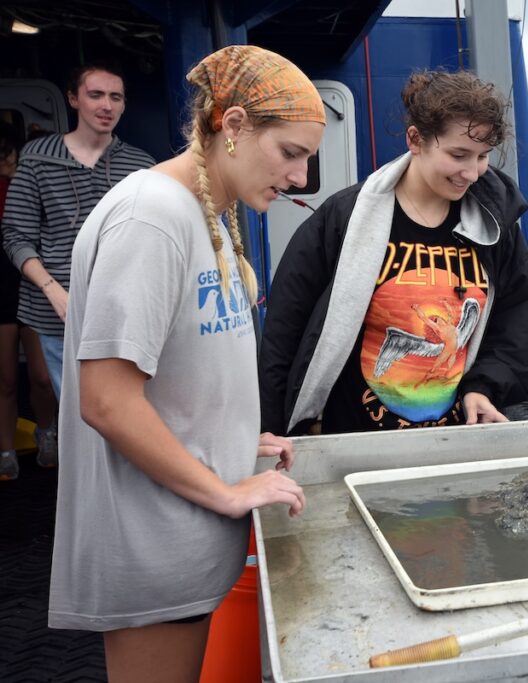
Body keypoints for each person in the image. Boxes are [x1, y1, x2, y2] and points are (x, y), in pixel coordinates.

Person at [47, 45, 321, 682]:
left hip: (184, 535)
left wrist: (232, 439)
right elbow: (107, 400)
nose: (302, 178)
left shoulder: (211, 212)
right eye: (290, 152)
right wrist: (226, 491)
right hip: (151, 545)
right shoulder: (152, 218)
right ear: (232, 126)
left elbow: (177, 371)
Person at [259, 70, 528, 436]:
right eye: (458, 154)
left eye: (482, 157)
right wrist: (274, 427)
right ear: (416, 139)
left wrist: (486, 385)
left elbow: (524, 305)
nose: (472, 173)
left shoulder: (494, 225)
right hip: (353, 436)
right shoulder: (345, 218)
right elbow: (287, 324)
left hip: (456, 434)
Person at [1, 61, 155, 413]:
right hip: (57, 314)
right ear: (73, 99)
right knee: (79, 412)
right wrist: (53, 291)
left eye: (116, 97)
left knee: (128, 410)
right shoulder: (38, 159)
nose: (107, 105)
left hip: (125, 312)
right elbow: (15, 235)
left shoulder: (140, 165)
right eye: (96, 95)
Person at [0, 122, 58, 480]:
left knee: (41, 376)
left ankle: (47, 433)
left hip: (33, 284)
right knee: (5, 379)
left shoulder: (31, 184)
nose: (7, 160)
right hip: (2, 288)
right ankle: (6, 451)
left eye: (10, 152)